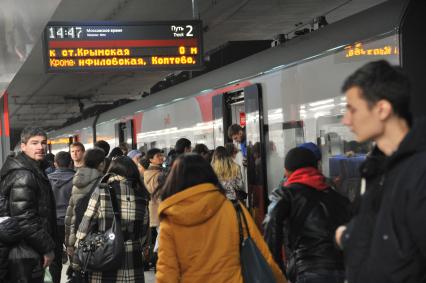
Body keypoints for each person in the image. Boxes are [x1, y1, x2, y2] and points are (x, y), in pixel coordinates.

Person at [334, 60, 426, 283]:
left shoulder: (419, 172)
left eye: (352, 109)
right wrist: (349, 236)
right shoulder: (377, 169)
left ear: (382, 109)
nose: (346, 120)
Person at [154, 154, 286, 283]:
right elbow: (263, 254)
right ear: (210, 175)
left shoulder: (170, 219)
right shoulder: (234, 209)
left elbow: (167, 272)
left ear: (174, 181)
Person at [264, 147, 351, 283]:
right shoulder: (338, 197)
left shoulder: (285, 194)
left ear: (287, 171)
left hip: (307, 270)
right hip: (343, 271)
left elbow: (272, 227)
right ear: (316, 168)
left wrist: (277, 269)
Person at [76, 156, 150, 282]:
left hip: (105, 251)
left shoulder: (102, 191)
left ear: (112, 170)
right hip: (132, 254)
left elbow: (87, 221)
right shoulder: (141, 194)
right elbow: (144, 231)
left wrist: (79, 243)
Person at [0, 126, 56, 282]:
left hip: (26, 248)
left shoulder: (33, 169)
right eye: (34, 143)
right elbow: (24, 219)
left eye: (43, 143)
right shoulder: (24, 175)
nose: (40, 147)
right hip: (25, 250)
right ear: (23, 146)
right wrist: (47, 248)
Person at [64, 148, 105, 272]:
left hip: (76, 230)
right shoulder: (102, 182)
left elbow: (71, 212)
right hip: (94, 233)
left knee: (80, 268)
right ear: (101, 163)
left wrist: (68, 242)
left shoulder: (77, 179)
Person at [47, 151, 75, 283]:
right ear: (71, 163)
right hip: (73, 223)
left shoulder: (47, 179)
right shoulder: (77, 179)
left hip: (53, 223)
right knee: (76, 257)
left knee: (55, 259)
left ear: (55, 164)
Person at [143, 148, 165, 270]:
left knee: (161, 235)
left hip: (160, 208)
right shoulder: (151, 173)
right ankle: (156, 260)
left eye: (161, 155)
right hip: (158, 208)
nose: (161, 157)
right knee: (161, 235)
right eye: (158, 156)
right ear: (151, 159)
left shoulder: (159, 171)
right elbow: (156, 191)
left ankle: (157, 260)